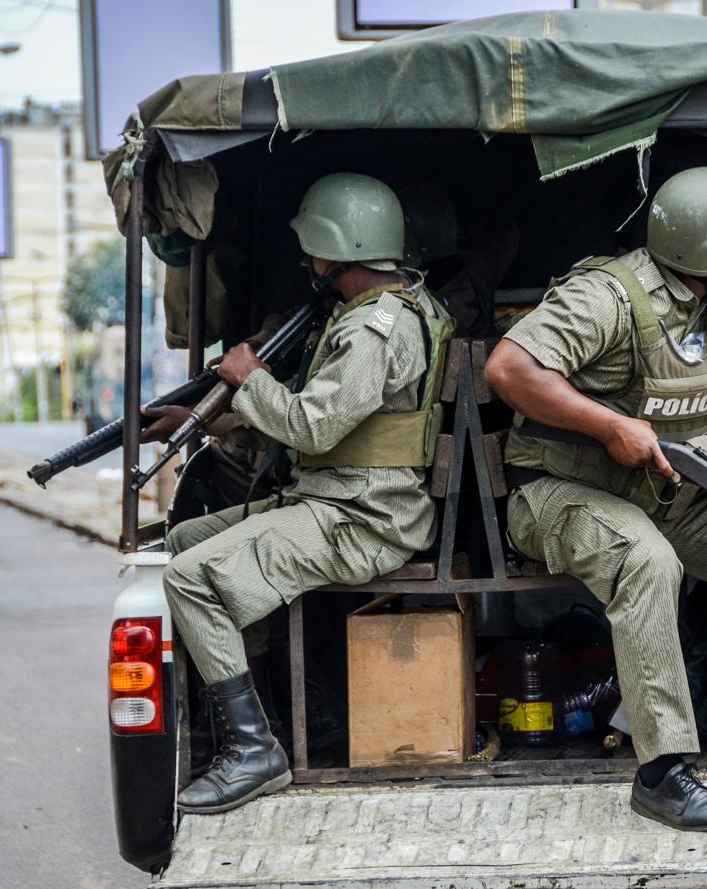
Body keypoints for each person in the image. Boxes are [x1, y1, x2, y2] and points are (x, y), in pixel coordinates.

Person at [485, 166, 707, 832]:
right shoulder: (608, 298)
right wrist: (607, 424)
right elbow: (508, 368)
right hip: (557, 493)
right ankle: (663, 771)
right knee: (647, 560)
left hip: (661, 493)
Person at [156, 172, 452, 814]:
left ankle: (253, 748)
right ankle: (289, 711)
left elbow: (312, 424)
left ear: (334, 247)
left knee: (188, 579)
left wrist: (249, 376)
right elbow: (321, 421)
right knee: (185, 540)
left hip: (365, 520)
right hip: (339, 501)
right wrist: (205, 418)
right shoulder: (393, 307)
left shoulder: (373, 328)